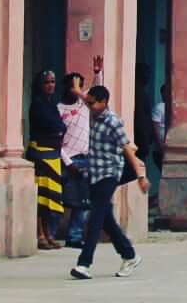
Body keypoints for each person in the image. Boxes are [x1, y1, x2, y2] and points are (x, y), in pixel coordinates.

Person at [69, 85, 145, 280]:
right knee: (106, 220)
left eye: (93, 103)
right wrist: (79, 88)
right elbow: (86, 98)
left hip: (109, 174)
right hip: (94, 173)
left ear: (104, 103)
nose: (89, 105)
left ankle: (84, 264)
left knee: (94, 219)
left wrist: (141, 175)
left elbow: (127, 149)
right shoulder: (94, 111)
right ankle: (130, 255)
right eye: (89, 102)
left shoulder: (114, 122)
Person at [29, 72, 67, 250]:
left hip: (53, 155)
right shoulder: (37, 104)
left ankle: (49, 233)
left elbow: (60, 126)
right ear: (40, 84)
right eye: (46, 82)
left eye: (53, 82)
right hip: (41, 154)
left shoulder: (51, 104)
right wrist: (58, 127)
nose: (50, 85)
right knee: (41, 198)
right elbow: (53, 125)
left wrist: (59, 127)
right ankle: (40, 235)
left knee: (50, 200)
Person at [59, 73, 92, 246]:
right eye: (73, 86)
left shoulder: (84, 104)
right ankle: (58, 233)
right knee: (69, 200)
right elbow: (56, 141)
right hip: (69, 159)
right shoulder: (58, 109)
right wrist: (68, 163)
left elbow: (96, 92)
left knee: (84, 200)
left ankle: (75, 236)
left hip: (86, 158)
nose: (76, 90)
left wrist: (96, 73)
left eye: (79, 86)